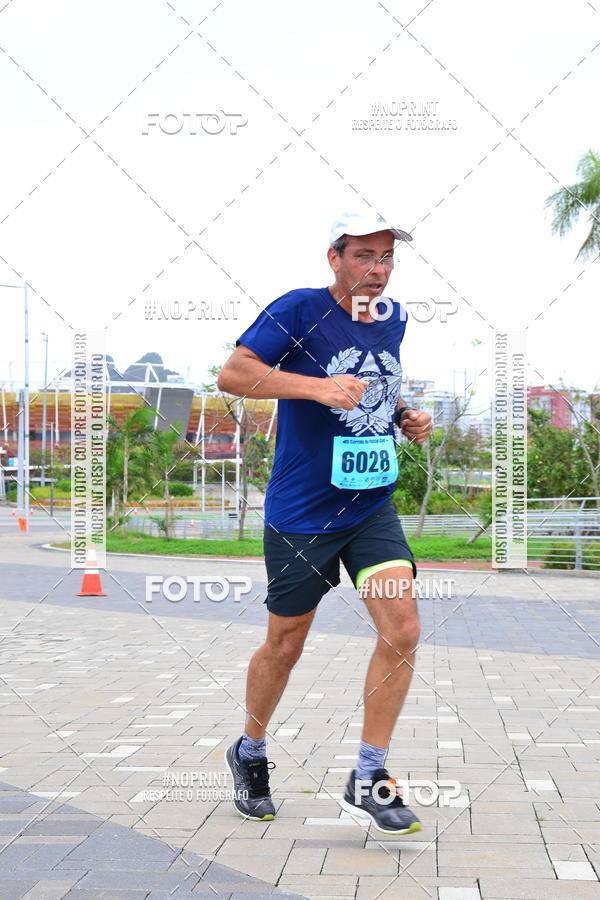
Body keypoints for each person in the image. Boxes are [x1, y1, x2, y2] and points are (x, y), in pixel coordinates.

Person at [219, 211, 433, 835]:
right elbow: (233, 374)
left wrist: (404, 414)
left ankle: (370, 775)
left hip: (369, 504)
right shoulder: (298, 308)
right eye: (365, 256)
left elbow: (373, 386)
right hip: (302, 512)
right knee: (286, 644)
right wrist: (314, 389)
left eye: (387, 258)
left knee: (404, 626)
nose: (378, 270)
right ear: (334, 257)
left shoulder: (393, 320)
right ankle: (250, 750)